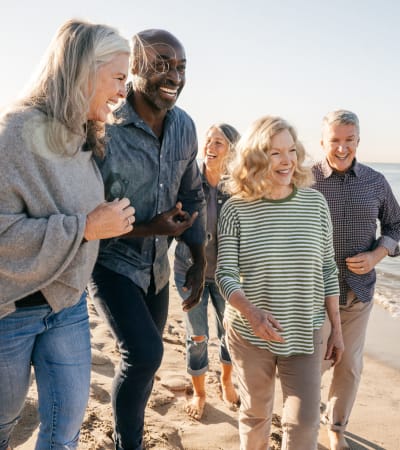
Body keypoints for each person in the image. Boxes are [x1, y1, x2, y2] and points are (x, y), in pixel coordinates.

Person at [0, 19, 135, 450]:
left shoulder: (86, 135)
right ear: (81, 71)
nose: (122, 91)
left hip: (68, 306)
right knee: (3, 425)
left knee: (64, 431)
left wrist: (107, 219)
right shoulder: (14, 131)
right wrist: (88, 227)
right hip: (11, 312)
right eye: (117, 78)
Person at [87, 29, 206, 450]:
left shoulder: (185, 126)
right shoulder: (105, 128)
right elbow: (87, 217)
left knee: (142, 364)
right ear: (134, 68)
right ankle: (128, 444)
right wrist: (148, 227)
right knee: (144, 354)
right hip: (109, 262)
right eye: (161, 64)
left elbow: (192, 193)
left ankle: (128, 434)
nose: (173, 74)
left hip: (156, 269)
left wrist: (198, 255)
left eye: (180, 66)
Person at [215, 116, 344, 450]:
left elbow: (329, 269)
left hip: (306, 330)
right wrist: (254, 315)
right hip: (249, 333)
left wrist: (337, 328)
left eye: (290, 151)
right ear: (256, 158)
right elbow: (225, 274)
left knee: (304, 424)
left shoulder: (315, 203)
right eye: (274, 153)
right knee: (256, 414)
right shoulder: (236, 209)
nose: (286, 161)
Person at [313, 109, 400, 450]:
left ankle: (336, 426)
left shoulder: (376, 181)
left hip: (360, 293)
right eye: (334, 140)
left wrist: (378, 254)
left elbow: (396, 226)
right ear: (323, 142)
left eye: (349, 140)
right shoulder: (305, 181)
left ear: (358, 141)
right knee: (313, 364)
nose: (341, 147)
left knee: (348, 365)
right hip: (315, 294)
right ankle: (306, 415)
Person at [174, 123, 240, 420]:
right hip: (190, 270)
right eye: (209, 141)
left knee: (231, 332)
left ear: (232, 151)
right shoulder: (188, 181)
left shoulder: (239, 187)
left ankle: (226, 380)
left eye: (219, 143)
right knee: (197, 335)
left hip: (228, 274)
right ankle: (199, 392)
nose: (210, 147)